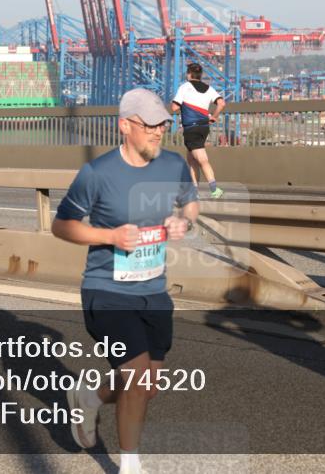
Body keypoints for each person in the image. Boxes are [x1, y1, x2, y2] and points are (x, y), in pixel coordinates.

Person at [53, 88, 199, 474]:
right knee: (135, 378)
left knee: (148, 386)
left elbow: (191, 200)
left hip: (154, 291)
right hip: (107, 291)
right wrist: (110, 237)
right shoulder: (97, 174)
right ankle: (130, 466)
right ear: (125, 125)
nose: (157, 133)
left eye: (163, 125)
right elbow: (62, 225)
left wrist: (184, 220)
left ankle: (89, 397)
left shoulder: (173, 165)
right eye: (149, 125)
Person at [171, 62, 226, 198]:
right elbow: (221, 103)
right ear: (200, 75)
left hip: (191, 128)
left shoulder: (185, 87)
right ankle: (194, 191)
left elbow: (174, 107)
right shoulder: (209, 88)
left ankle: (214, 189)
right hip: (204, 127)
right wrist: (214, 116)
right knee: (191, 159)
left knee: (201, 159)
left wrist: (183, 105)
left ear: (188, 74)